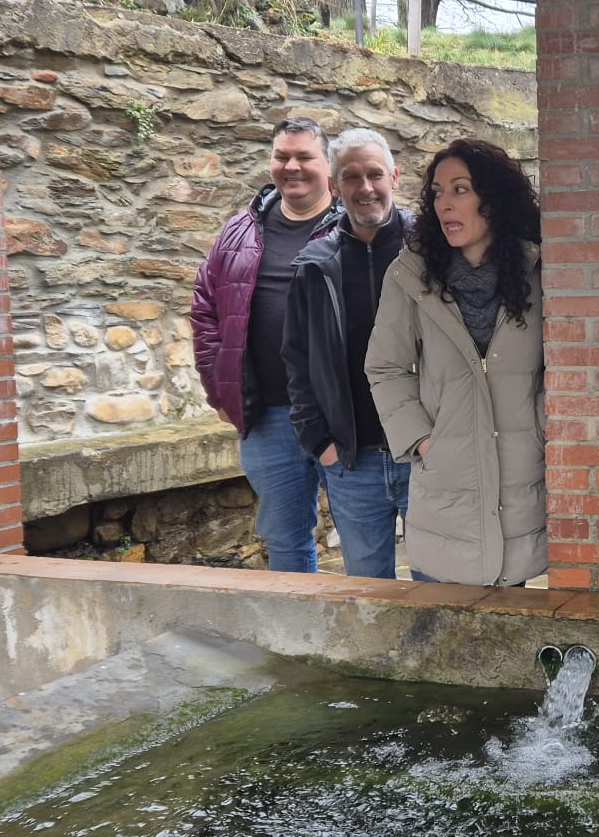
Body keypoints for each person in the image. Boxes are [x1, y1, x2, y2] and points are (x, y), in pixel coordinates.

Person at [365, 138, 546, 587]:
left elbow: (562, 364)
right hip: (446, 484)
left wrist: (543, 426)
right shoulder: (411, 274)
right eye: (437, 193)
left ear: (495, 199)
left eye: (460, 189)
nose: (445, 203)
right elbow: (385, 367)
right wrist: (424, 440)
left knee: (510, 629)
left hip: (519, 478)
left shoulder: (541, 270)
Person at [190, 117, 337, 571]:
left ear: (327, 165)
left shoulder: (355, 227)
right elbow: (205, 310)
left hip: (344, 416)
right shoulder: (240, 230)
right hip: (269, 416)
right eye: (281, 156)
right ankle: (296, 639)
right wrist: (220, 389)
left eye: (304, 157)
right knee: (286, 540)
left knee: (363, 534)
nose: (291, 166)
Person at [283, 128, 414, 578]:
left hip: (426, 458)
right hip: (352, 462)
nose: (365, 188)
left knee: (443, 589)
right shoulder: (314, 264)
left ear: (394, 177)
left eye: (375, 174)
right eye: (351, 177)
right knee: (367, 594)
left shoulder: (431, 251)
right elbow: (297, 361)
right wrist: (320, 443)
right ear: (335, 187)